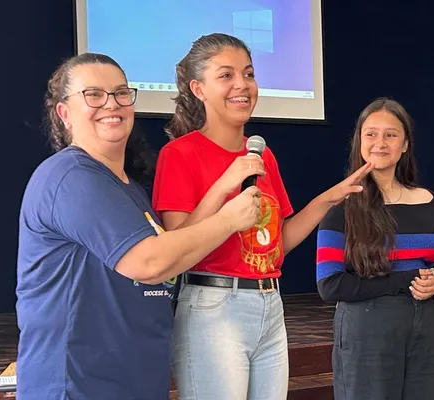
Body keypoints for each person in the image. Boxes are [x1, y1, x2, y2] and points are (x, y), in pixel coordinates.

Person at [16, 53, 261, 400]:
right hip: (78, 386)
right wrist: (229, 220)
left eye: (120, 93)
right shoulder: (71, 177)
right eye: (94, 95)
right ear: (65, 114)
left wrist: (221, 189)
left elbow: (174, 249)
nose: (110, 104)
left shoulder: (127, 188)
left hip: (132, 383)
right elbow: (148, 262)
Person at [151, 33, 373, 400]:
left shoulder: (261, 155)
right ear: (199, 88)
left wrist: (328, 199)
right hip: (213, 306)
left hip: (269, 302)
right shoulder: (180, 154)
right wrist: (224, 186)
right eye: (226, 76)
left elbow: (277, 243)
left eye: (249, 74)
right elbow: (175, 247)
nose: (242, 85)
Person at [315, 98, 434, 400]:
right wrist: (400, 282)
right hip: (367, 328)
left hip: (425, 328)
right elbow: (329, 284)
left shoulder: (426, 201)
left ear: (405, 144)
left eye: (390, 135)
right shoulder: (341, 205)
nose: (380, 143)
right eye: (371, 134)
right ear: (359, 141)